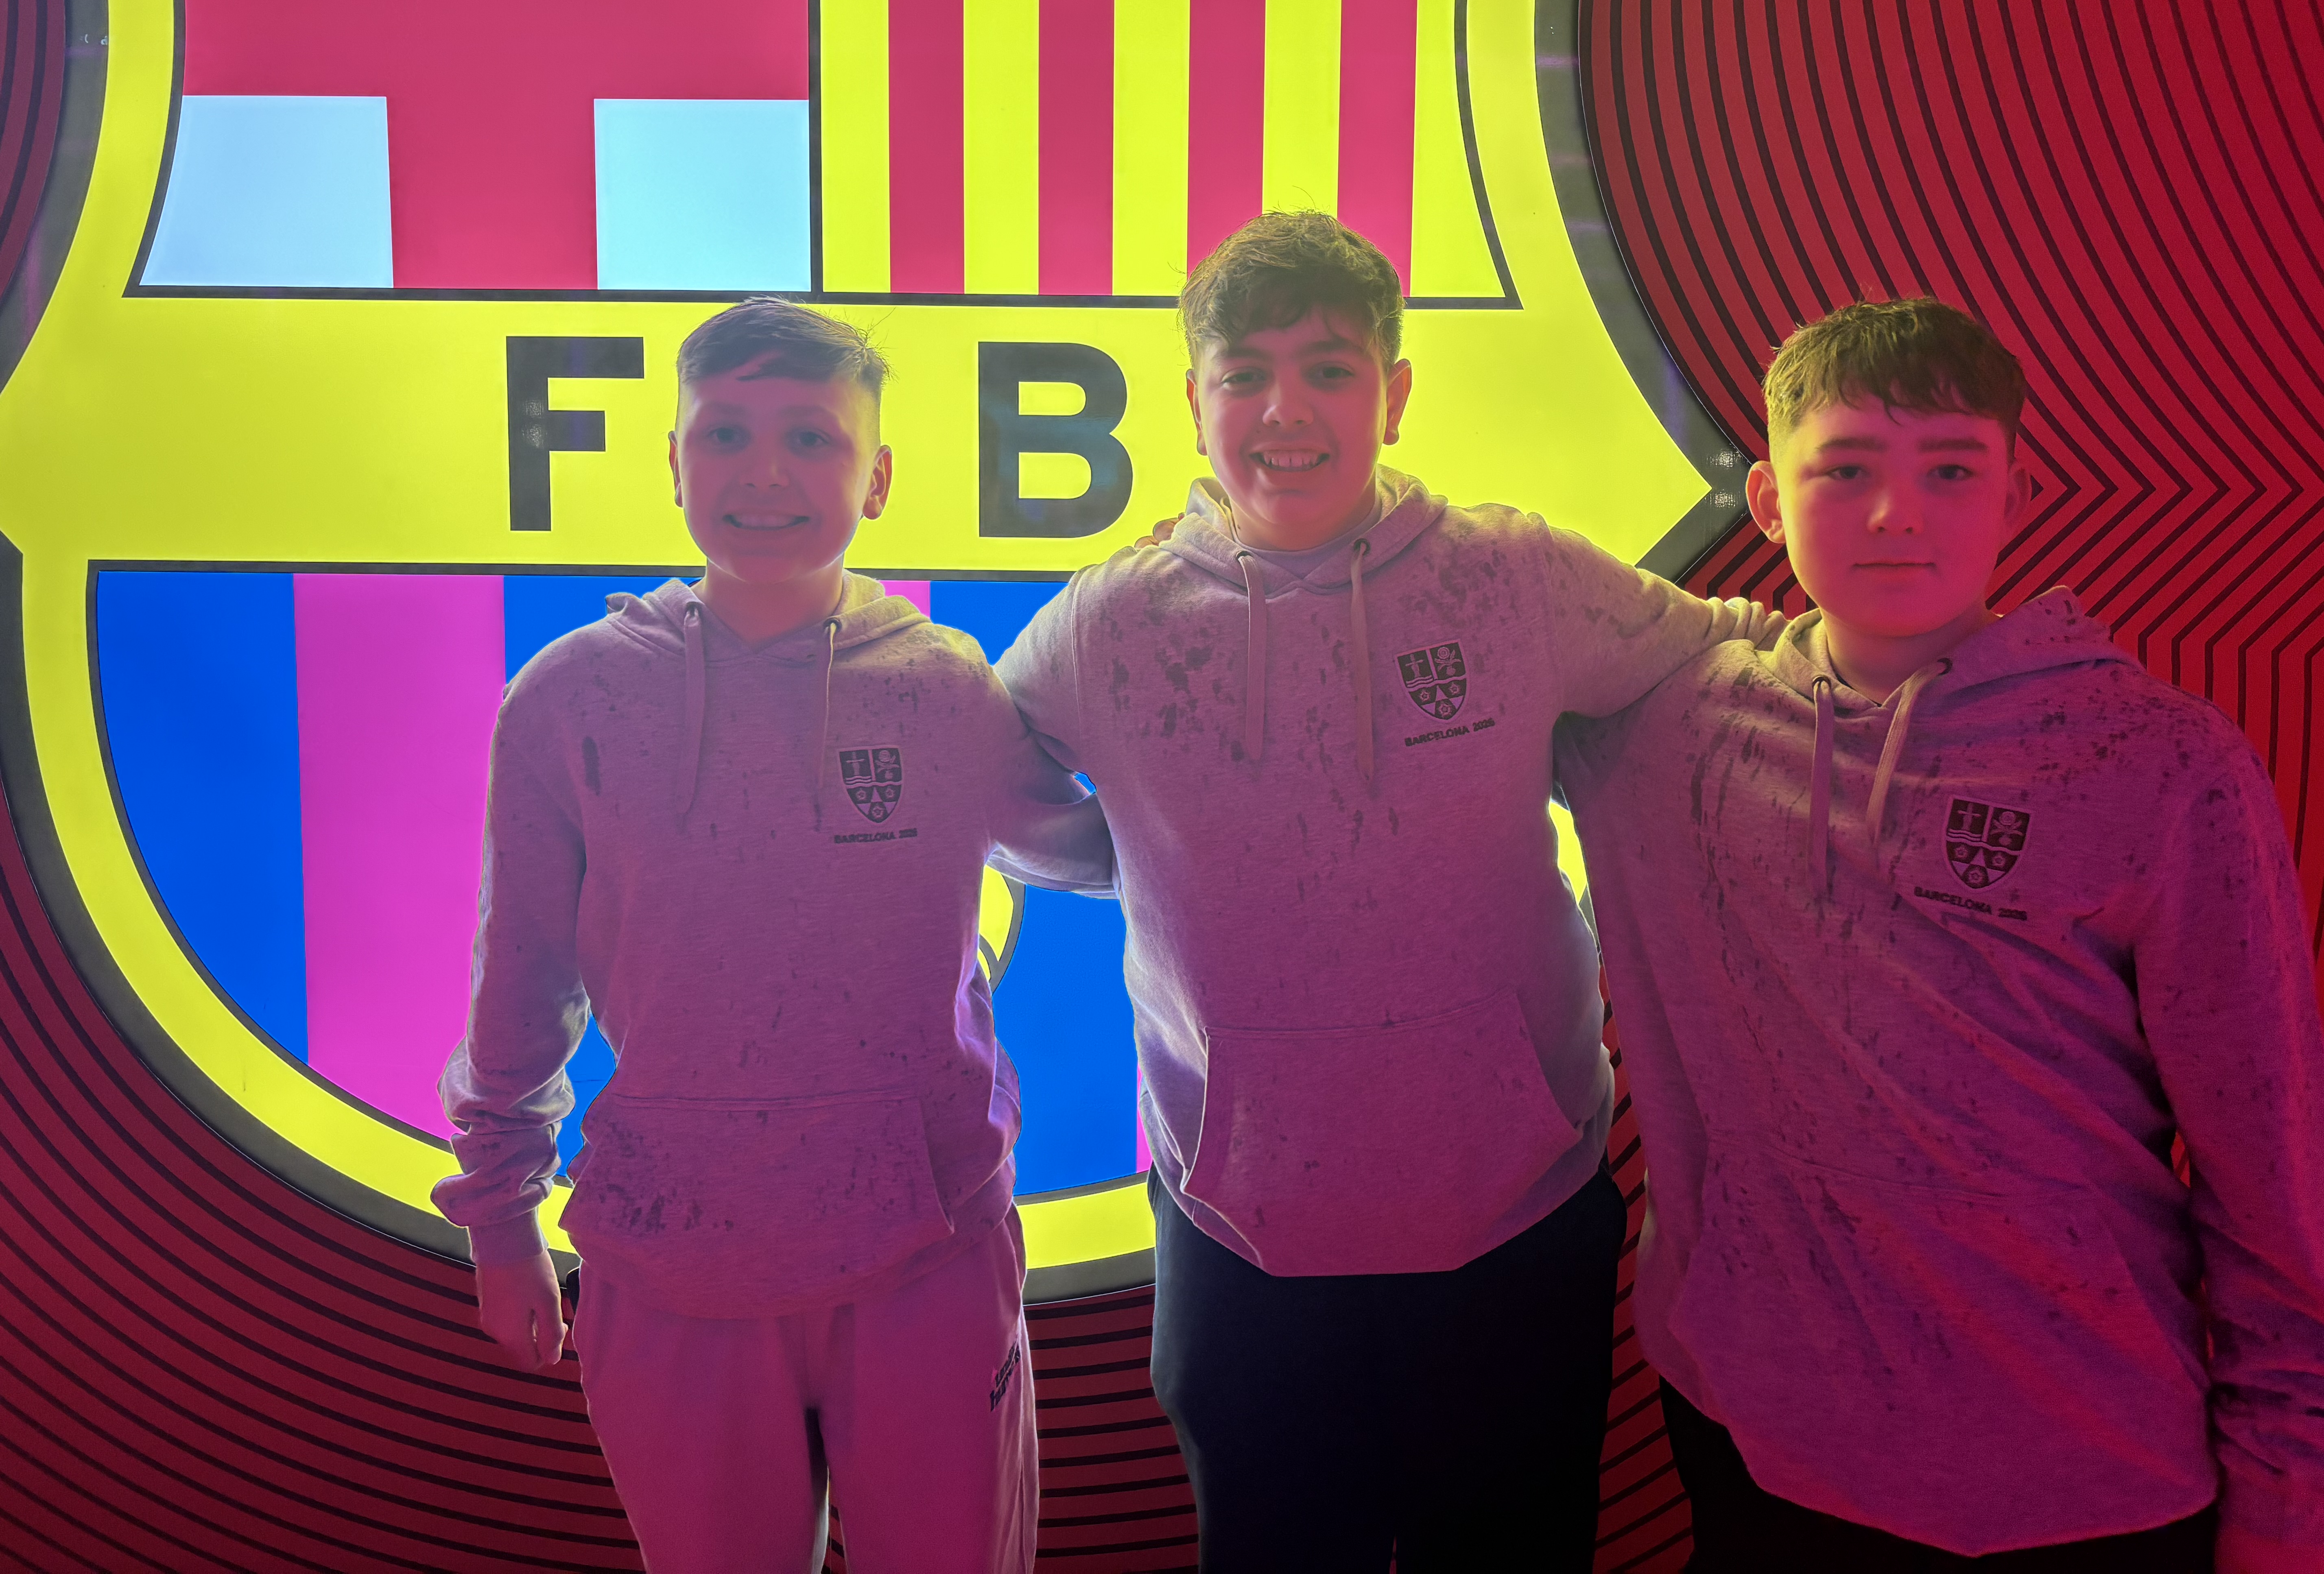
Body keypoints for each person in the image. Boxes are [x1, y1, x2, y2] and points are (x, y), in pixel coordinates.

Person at [996, 211, 1774, 1570]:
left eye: (1329, 368)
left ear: (1396, 392)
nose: (1284, 410)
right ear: (1193, 401)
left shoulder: (1514, 577)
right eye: (1245, 374)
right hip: (1238, 1234)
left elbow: (1723, 662)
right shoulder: (1110, 623)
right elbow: (985, 781)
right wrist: (1135, 848)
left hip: (1518, 1215)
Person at [1556, 298, 2324, 1572]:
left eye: (1951, 470)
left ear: (2017, 492)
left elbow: (2274, 1168)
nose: (1896, 515)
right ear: (1766, 499)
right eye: (1845, 469)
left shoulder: (2162, 765)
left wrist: (2291, 1498)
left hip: (2089, 1471)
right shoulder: (1662, 727)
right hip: (1758, 1441)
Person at [431, 298, 1113, 1574]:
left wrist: (1203, 692)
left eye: (811, 437)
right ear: (672, 460)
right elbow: (520, 979)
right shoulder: (571, 697)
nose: (764, 471)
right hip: (671, 1261)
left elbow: (1110, 852)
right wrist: (499, 1214)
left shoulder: (945, 687)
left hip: (930, 1254)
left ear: (878, 477)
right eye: (727, 433)